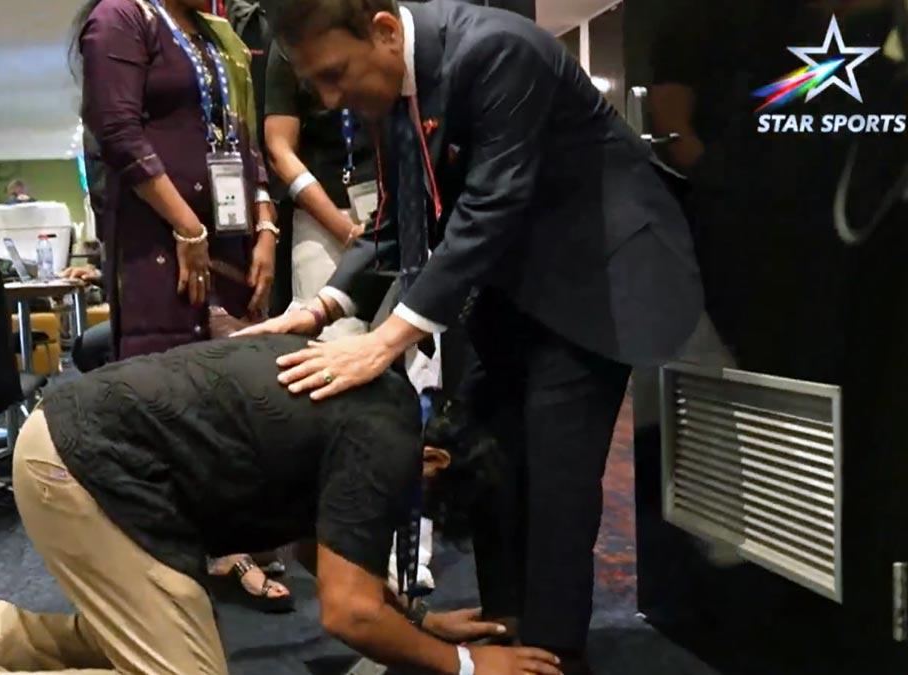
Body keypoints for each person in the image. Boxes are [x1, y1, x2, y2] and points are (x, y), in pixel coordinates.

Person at [238, 1, 704, 670]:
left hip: (600, 276)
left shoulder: (499, 50)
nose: (331, 98)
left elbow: (489, 206)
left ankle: (553, 655)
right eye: (317, 84)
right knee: (484, 457)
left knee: (554, 478)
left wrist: (383, 341)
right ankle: (506, 636)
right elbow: (397, 224)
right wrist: (321, 307)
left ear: (384, 32)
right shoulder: (399, 87)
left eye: (336, 75)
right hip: (516, 282)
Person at [0, 336, 562, 675]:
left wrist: (415, 620)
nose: (408, 513)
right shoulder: (385, 438)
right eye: (429, 500)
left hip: (84, 451)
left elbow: (324, 549)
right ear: (433, 460)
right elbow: (345, 612)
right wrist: (465, 665)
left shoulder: (384, 410)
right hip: (83, 467)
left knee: (163, 640)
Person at [72, 0, 285, 607]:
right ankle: (171, 564)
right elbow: (117, 132)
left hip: (233, 241)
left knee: (230, 405)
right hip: (158, 248)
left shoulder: (215, 36)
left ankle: (227, 546)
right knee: (169, 408)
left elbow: (242, 138)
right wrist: (188, 227)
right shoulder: (120, 18)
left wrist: (266, 224)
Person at [264, 40, 371, 338]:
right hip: (322, 220)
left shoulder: (377, 24)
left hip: (388, 212)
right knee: (331, 341)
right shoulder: (291, 39)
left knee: (405, 345)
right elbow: (279, 150)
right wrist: (345, 230)